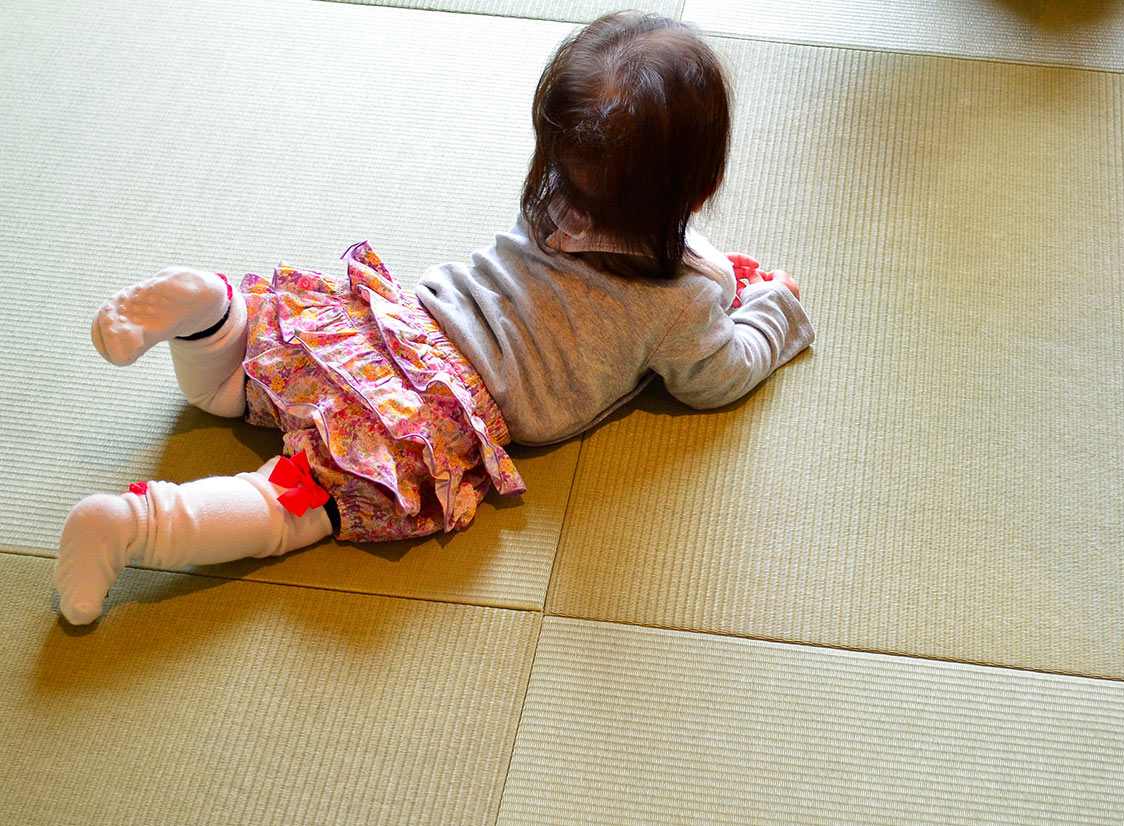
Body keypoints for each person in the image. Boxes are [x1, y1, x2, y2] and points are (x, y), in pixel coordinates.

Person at [53, 11, 814, 625]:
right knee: (299, 499)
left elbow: (648, 226)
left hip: (391, 326)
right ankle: (138, 526)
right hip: (431, 411)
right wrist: (772, 307)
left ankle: (215, 315)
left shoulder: (555, 211)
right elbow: (719, 377)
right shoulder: (677, 304)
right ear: (704, 182)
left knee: (233, 388)